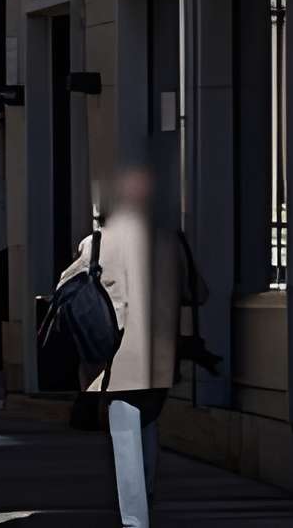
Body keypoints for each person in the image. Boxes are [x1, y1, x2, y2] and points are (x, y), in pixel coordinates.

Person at [57, 162, 205, 528]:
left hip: (117, 356)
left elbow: (65, 287)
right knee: (149, 425)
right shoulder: (173, 240)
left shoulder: (97, 242)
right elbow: (197, 293)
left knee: (124, 436)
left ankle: (135, 519)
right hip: (159, 354)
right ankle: (146, 496)